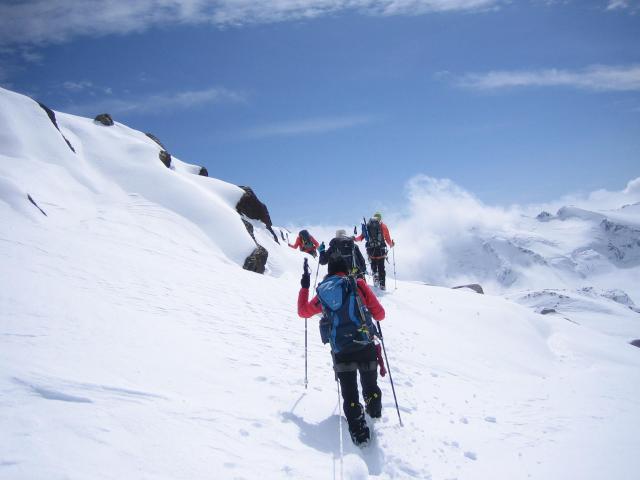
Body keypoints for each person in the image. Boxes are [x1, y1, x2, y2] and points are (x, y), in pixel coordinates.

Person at [298, 254, 385, 446]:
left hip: (341, 352)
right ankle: (374, 408)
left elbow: (303, 311)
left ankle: (359, 432)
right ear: (346, 270)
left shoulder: (324, 293)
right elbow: (380, 314)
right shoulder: (358, 284)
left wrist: (305, 286)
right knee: (370, 385)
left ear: (329, 272)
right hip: (365, 346)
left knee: (350, 394)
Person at [356, 212, 395, 290]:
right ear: (380, 218)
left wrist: (355, 239)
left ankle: (375, 280)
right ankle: (382, 284)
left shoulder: (368, 226)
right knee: (381, 267)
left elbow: (362, 237)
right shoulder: (383, 226)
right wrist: (391, 244)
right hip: (381, 251)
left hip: (371, 251)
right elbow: (387, 239)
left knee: (373, 265)